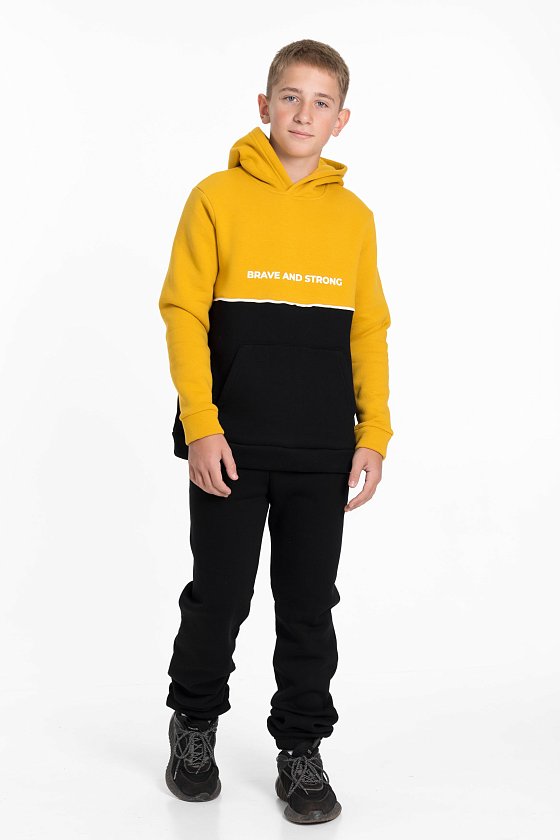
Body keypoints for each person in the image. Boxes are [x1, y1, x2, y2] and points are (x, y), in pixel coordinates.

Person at [158, 38, 394, 825]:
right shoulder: (215, 197)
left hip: (321, 449)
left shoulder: (353, 218)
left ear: (341, 120)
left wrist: (374, 432)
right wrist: (201, 425)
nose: (303, 113)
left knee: (308, 608)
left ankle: (301, 748)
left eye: (321, 102)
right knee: (219, 598)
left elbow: (368, 330)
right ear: (264, 106)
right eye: (290, 96)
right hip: (230, 444)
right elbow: (184, 312)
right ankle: (194, 723)